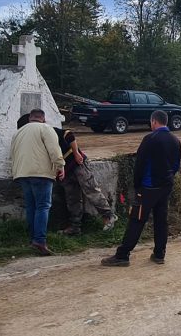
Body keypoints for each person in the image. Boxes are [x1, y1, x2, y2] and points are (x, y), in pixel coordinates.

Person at [101, 110, 181, 267]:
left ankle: (123, 255)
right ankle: (159, 254)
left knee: (136, 220)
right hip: (165, 187)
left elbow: (140, 165)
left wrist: (136, 185)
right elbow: (176, 165)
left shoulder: (150, 139)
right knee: (161, 221)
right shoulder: (175, 140)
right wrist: (168, 178)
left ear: (154, 122)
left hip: (148, 187)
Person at [11, 109, 64, 256]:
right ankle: (40, 241)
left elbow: (12, 153)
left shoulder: (18, 132)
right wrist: (60, 166)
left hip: (22, 174)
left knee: (31, 207)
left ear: (30, 118)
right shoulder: (45, 129)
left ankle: (33, 238)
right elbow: (54, 150)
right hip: (41, 173)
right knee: (43, 206)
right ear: (43, 118)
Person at [56, 127, 117, 235]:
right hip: (64, 170)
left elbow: (69, 135)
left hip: (77, 164)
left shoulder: (51, 131)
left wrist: (76, 153)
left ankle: (109, 216)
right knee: (72, 198)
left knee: (91, 190)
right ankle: (75, 227)